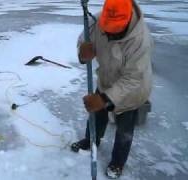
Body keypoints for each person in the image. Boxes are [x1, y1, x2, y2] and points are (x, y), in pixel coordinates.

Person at [71, 0, 153, 179]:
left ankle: (117, 162)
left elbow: (133, 78)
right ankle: (91, 140)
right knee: (97, 115)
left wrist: (104, 99)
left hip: (133, 89)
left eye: (113, 31)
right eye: (106, 29)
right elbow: (83, 38)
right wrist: (82, 52)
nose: (107, 34)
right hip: (106, 80)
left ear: (126, 23)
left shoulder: (140, 40)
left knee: (124, 128)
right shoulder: (99, 21)